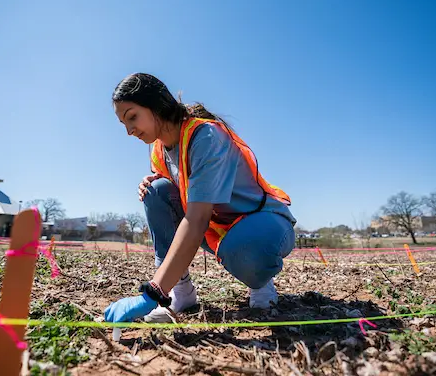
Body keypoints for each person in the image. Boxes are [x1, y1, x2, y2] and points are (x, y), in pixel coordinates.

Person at [104, 73, 297, 324]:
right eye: (124, 124)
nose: (129, 131)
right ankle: (181, 293)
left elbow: (196, 219)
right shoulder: (160, 150)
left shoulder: (205, 137)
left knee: (244, 248)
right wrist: (155, 183)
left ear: (156, 104)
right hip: (218, 232)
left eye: (132, 117)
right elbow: (175, 200)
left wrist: (152, 293)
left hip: (263, 224)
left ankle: (260, 283)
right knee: (156, 190)